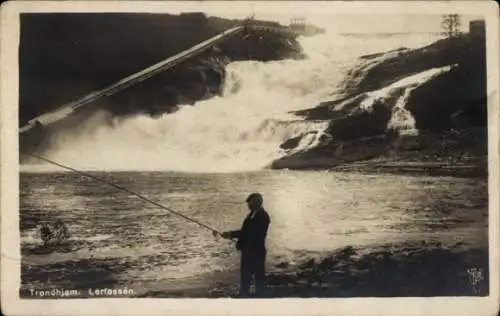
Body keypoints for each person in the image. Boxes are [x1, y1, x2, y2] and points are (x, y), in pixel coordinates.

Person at [217, 193, 271, 298]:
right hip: (249, 251)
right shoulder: (252, 214)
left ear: (257, 202)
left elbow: (251, 234)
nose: (248, 205)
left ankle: (257, 297)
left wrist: (231, 234)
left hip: (256, 252)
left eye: (250, 202)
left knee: (258, 276)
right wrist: (232, 235)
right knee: (246, 276)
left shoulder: (263, 216)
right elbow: (246, 232)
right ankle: (245, 295)